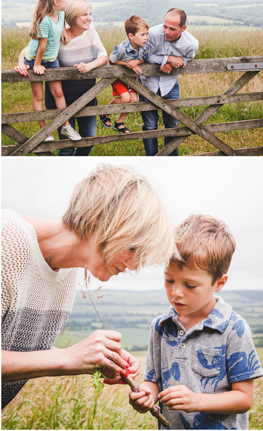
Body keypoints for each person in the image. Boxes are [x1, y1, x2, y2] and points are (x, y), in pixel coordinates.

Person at [1, 164, 176, 408]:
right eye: (133, 247)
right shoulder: (5, 239)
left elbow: (20, 352)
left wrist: (92, 360)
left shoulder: (68, 275)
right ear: (100, 219)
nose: (134, 265)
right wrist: (67, 358)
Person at [129, 214, 262, 429]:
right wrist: (145, 396)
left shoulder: (233, 329)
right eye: (169, 280)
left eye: (190, 285)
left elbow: (244, 399)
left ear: (219, 283)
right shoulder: (161, 327)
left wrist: (197, 401)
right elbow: (152, 382)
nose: (175, 292)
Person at [17, 0, 73, 142]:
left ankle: (66, 126)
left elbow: (61, 22)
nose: (68, 1)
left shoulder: (60, 13)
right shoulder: (43, 21)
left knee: (59, 93)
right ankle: (44, 132)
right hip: (36, 58)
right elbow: (42, 46)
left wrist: (63, 31)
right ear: (56, 1)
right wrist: (36, 65)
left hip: (51, 59)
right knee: (38, 96)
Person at [140, 8, 199, 156]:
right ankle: (151, 158)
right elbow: (146, 56)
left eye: (172, 29)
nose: (166, 31)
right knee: (149, 126)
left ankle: (171, 158)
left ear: (183, 28)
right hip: (148, 84)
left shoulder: (191, 44)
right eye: (165, 26)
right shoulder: (152, 34)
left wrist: (178, 62)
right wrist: (168, 59)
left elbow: (189, 58)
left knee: (172, 125)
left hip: (170, 85)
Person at [103, 15, 152, 135]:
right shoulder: (121, 49)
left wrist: (137, 62)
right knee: (125, 98)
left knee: (133, 99)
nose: (146, 37)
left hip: (131, 78)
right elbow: (112, 60)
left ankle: (119, 122)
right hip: (117, 77)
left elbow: (146, 58)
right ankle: (105, 112)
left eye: (147, 34)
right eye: (142, 35)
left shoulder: (144, 47)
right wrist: (126, 64)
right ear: (131, 36)